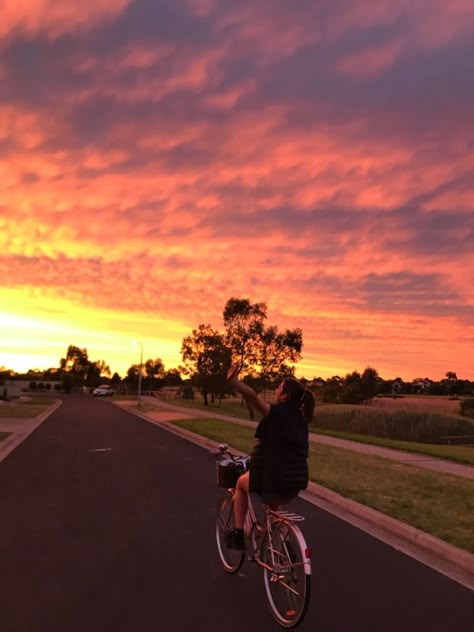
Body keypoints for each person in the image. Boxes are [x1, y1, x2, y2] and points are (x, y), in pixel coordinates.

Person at [225, 364, 315, 550]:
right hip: (293, 484)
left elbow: (252, 397)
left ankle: (238, 534)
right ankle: (287, 548)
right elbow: (279, 448)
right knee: (273, 505)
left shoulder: (279, 414)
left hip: (274, 479)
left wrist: (234, 381)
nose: (276, 389)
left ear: (285, 396)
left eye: (279, 387)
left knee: (241, 485)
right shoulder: (300, 419)